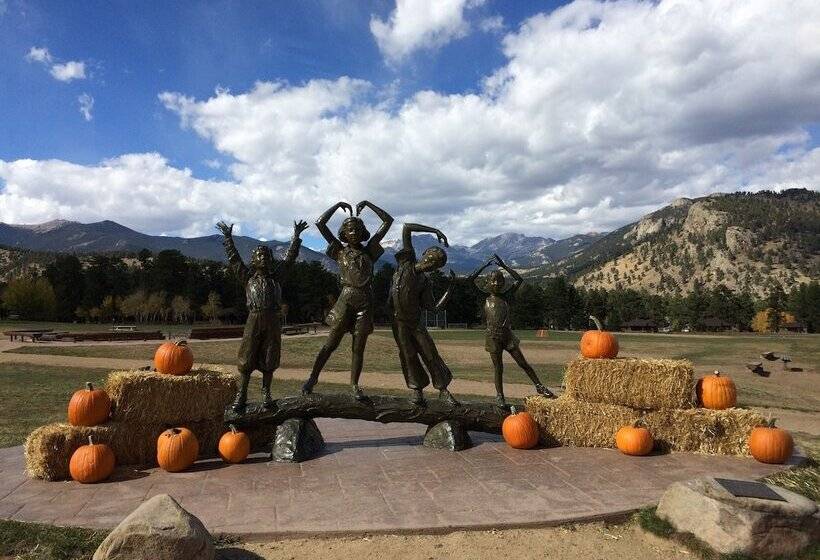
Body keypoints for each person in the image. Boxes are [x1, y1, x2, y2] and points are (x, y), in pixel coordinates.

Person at [301, 200, 393, 400]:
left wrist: (369, 204)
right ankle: (312, 378)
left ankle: (354, 385)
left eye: (358, 229)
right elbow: (320, 224)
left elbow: (388, 221)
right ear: (344, 233)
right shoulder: (339, 251)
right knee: (330, 344)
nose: (354, 232)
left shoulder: (370, 252)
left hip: (366, 303)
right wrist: (337, 206)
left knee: (358, 348)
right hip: (346, 301)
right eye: (350, 229)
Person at [217, 219, 309, 413]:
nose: (264, 258)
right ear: (253, 260)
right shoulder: (247, 278)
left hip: (272, 320)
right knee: (247, 356)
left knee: (270, 355)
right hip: (254, 319)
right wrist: (227, 238)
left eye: (267, 255)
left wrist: (296, 237)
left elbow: (290, 259)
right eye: (259, 255)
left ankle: (266, 392)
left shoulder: (277, 278)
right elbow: (234, 260)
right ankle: (241, 394)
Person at [469, 253, 555, 407]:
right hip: (492, 337)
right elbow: (470, 280)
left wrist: (503, 266)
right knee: (498, 368)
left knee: (523, 363)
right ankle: (500, 396)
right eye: (493, 280)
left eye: (499, 280)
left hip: (508, 336)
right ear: (487, 282)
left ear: (503, 283)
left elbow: (519, 280)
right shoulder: (484, 297)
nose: (496, 283)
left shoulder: (506, 296)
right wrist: (484, 265)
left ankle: (540, 387)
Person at [389, 222, 459, 406]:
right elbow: (406, 228)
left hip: (415, 323)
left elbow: (434, 308)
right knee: (408, 355)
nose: (432, 262)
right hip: (399, 323)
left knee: (430, 353)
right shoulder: (406, 262)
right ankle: (416, 391)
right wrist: (435, 230)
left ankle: (443, 390)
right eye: (432, 257)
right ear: (424, 254)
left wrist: (450, 288)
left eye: (437, 263)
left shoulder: (424, 282)